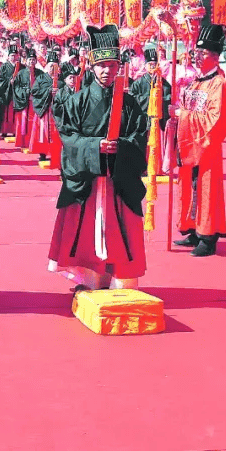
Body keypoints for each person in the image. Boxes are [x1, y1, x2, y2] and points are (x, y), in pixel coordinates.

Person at [48, 26, 149, 292]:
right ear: (92, 67)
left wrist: (121, 147)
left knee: (120, 229)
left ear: (119, 67)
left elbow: (140, 136)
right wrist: (94, 146)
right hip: (88, 180)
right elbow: (68, 137)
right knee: (84, 229)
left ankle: (121, 280)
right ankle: (89, 279)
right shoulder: (77, 101)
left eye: (112, 65)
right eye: (102, 65)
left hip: (118, 179)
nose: (107, 71)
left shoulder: (129, 103)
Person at [171, 25, 226, 257]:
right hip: (189, 145)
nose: (197, 58)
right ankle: (193, 230)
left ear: (216, 57)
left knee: (206, 191)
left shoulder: (220, 85)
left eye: (203, 54)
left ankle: (208, 237)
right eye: (196, 53)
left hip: (206, 148)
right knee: (189, 189)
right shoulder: (195, 82)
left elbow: (218, 120)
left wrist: (183, 115)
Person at [14, 48, 55, 162]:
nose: (31, 62)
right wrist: (25, 92)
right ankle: (26, 143)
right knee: (27, 124)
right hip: (28, 101)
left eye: (33, 60)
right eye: (30, 59)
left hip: (42, 103)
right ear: (26, 61)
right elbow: (17, 87)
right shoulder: (21, 73)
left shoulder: (40, 73)